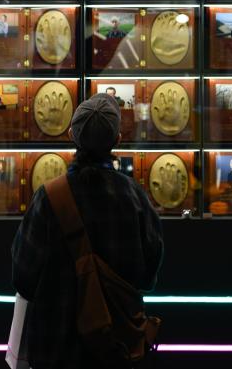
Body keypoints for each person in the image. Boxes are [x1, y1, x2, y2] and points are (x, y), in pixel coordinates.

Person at [12, 93, 164, 369]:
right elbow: (148, 276)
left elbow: (23, 277)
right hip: (116, 347)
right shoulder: (135, 198)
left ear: (71, 135)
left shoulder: (48, 197)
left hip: (56, 347)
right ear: (118, 140)